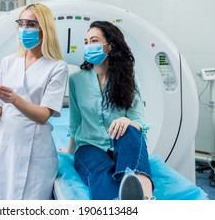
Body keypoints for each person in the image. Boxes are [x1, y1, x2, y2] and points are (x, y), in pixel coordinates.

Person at [0, 3, 68, 200]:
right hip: (5, 145)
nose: (24, 29)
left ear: (44, 29)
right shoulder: (9, 62)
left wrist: (15, 99)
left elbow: (44, 115)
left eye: (31, 25)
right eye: (21, 24)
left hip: (35, 151)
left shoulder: (57, 67)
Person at [62, 20, 154, 200]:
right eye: (86, 42)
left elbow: (139, 120)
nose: (88, 46)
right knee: (101, 169)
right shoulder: (76, 80)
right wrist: (69, 150)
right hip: (89, 146)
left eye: (94, 41)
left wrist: (128, 121)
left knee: (131, 129)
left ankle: (145, 198)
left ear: (110, 46)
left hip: (122, 143)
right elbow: (76, 121)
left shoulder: (128, 79)